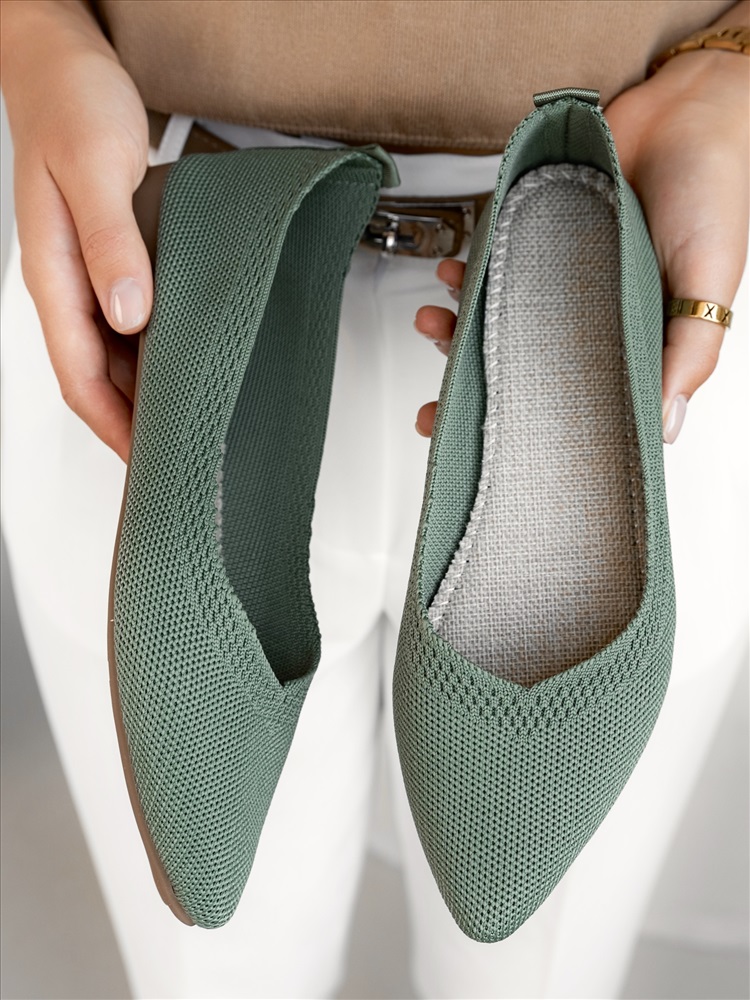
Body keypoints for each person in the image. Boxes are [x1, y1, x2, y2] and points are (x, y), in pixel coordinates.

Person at [1, 1, 747, 997]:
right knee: (213, 978)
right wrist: (33, 31)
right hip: (149, 209)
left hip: (652, 223)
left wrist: (736, 63)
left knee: (539, 977)